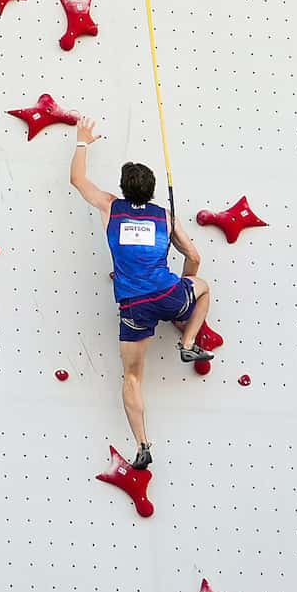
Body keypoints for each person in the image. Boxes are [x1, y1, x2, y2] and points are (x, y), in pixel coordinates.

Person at [67, 119, 214, 469]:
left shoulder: (110, 207)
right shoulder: (166, 216)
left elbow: (77, 181)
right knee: (203, 287)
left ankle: (143, 443)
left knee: (132, 377)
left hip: (133, 307)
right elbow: (193, 257)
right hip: (168, 293)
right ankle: (188, 341)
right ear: (150, 190)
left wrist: (83, 142)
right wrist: (181, 300)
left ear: (123, 188)